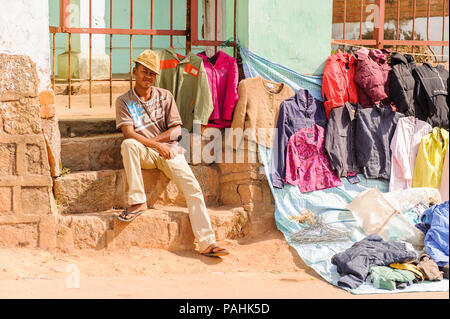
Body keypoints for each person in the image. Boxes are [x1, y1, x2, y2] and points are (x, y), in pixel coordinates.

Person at [115, 49, 229, 257]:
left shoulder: (165, 96)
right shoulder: (124, 101)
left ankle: (207, 242)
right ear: (134, 71)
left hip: (169, 150)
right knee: (128, 145)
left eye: (152, 73)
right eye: (144, 71)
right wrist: (157, 145)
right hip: (146, 152)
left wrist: (162, 145)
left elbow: (177, 129)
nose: (147, 77)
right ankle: (138, 201)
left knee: (193, 186)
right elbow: (129, 133)